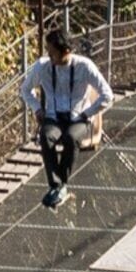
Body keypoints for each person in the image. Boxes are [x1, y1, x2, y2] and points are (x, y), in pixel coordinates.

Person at [21, 25, 117, 206]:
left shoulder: (84, 67)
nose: (49, 56)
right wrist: (37, 109)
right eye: (48, 52)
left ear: (66, 51)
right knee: (46, 137)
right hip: (53, 117)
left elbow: (107, 95)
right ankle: (56, 186)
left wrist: (87, 113)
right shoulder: (43, 67)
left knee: (70, 138)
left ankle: (62, 184)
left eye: (53, 53)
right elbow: (25, 89)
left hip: (78, 117)